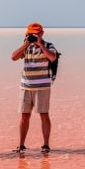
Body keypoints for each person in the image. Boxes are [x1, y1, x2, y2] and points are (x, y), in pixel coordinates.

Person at [11, 22, 58, 153]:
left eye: (35, 34)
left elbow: (52, 57)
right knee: (24, 116)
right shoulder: (26, 46)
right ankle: (21, 145)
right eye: (30, 33)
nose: (32, 36)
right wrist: (26, 44)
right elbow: (13, 57)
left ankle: (46, 145)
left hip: (42, 87)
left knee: (44, 115)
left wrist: (40, 44)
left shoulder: (48, 45)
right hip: (25, 86)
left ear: (41, 34)